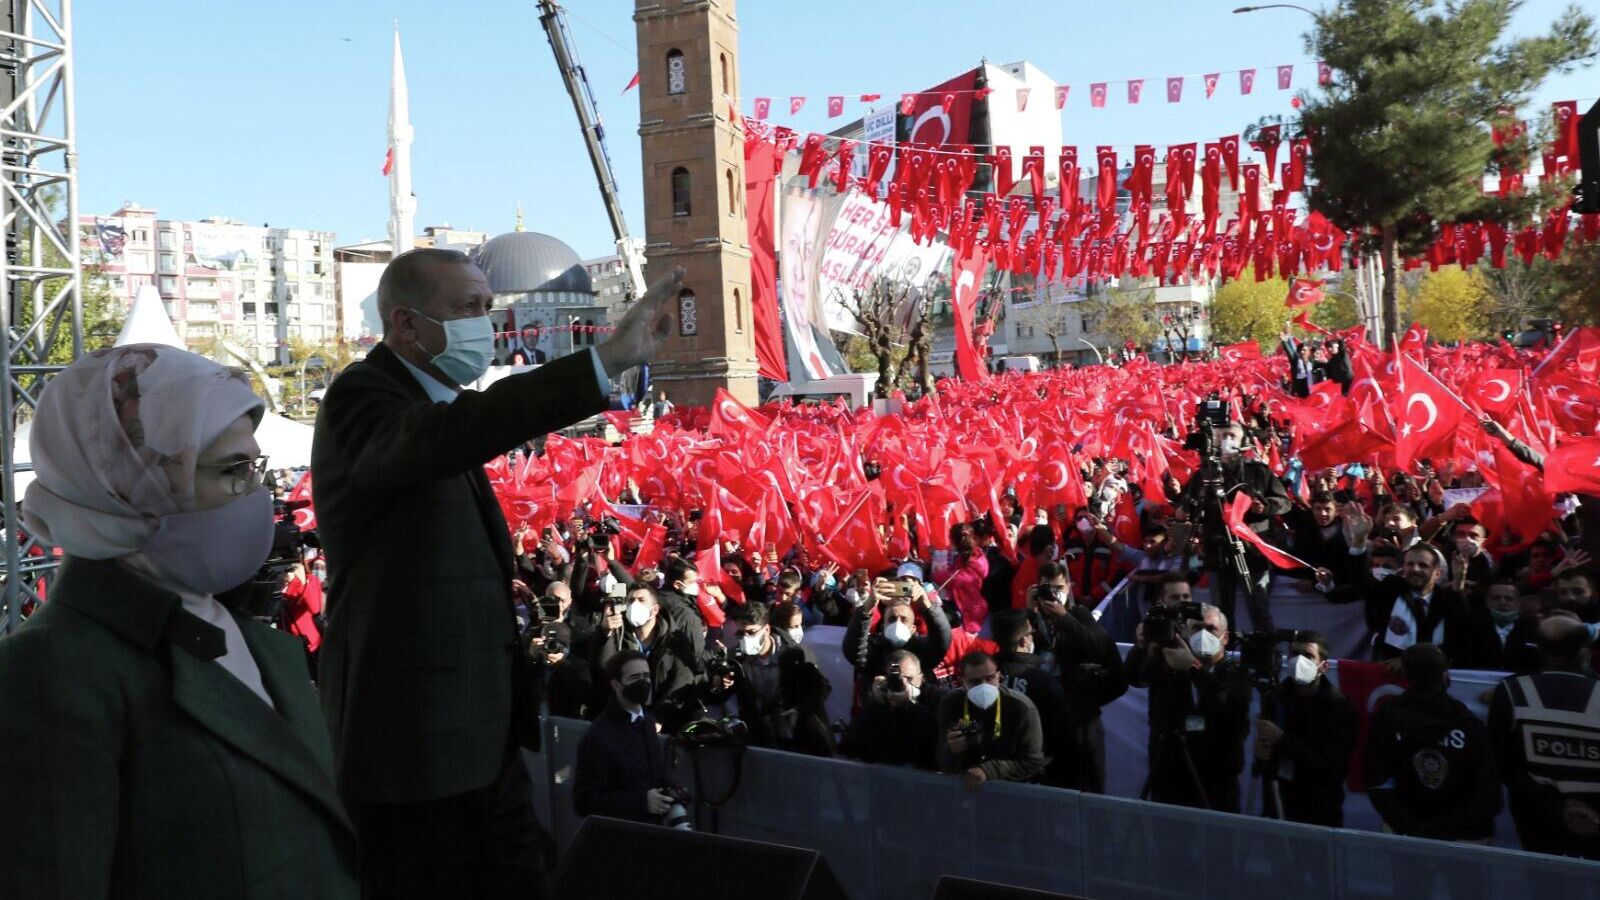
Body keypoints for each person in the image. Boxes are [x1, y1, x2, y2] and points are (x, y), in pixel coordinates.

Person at [312, 247, 680, 899]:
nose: (487, 323)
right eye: (468, 308)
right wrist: (603, 362)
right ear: (405, 324)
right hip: (414, 753)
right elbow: (449, 438)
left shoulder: (439, 411)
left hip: (481, 746)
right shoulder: (364, 399)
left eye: (490, 307)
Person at [0, 345, 357, 898]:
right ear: (126, 480)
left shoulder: (250, 638)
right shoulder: (51, 672)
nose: (257, 494)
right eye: (232, 469)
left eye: (254, 467)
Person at [1365, 643, 1501, 842]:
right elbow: (1489, 790)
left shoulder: (1387, 718)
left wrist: (1413, 828)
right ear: (1445, 675)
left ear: (1406, 675)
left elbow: (1377, 780)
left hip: (1410, 835)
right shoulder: (1470, 724)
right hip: (1462, 839)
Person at [1489, 616, 1600, 859]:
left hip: (1537, 818)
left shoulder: (1511, 691)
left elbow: (1503, 762)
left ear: (1539, 650)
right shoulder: (1513, 691)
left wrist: (1560, 808)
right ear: (1585, 653)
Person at [1124, 603, 1253, 812]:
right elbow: (1135, 678)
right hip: (1173, 774)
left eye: (1211, 629)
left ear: (1225, 638)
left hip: (1218, 779)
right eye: (1197, 628)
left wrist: (1193, 668)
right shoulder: (1171, 666)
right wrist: (1143, 649)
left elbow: (1226, 703)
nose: (1204, 634)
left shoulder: (1236, 675)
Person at [1182, 419, 1291, 634]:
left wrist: (1265, 506)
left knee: (1258, 609)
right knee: (1220, 615)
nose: (1227, 440)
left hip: (1252, 553)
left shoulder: (1258, 472)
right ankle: (1222, 653)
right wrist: (1185, 508)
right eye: (1222, 435)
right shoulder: (1203, 474)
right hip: (1218, 552)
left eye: (1232, 435)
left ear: (1243, 440)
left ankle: (1264, 652)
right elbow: (1188, 503)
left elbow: (1285, 502)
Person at [1027, 568, 1128, 792]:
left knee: (1091, 785)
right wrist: (1030, 612)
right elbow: (1019, 650)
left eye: (1059, 588)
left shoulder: (1079, 615)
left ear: (1069, 587)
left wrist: (1063, 617)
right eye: (1047, 588)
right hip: (1047, 719)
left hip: (1082, 718)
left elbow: (1100, 647)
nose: (1054, 594)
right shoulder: (1033, 620)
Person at [1253, 631, 1357, 826]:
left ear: (1323, 666)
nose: (1299, 660)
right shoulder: (1277, 697)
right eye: (1295, 654)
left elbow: (1332, 767)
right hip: (1280, 798)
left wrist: (1282, 739)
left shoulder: (1339, 707)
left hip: (1319, 806)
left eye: (1308, 656)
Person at [572, 650, 683, 824]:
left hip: (652, 830)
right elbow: (584, 801)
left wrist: (673, 790)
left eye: (646, 676)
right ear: (616, 685)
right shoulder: (598, 737)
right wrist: (641, 801)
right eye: (634, 677)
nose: (643, 682)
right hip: (621, 835)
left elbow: (653, 773)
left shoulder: (647, 721)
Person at [592, 585, 708, 732]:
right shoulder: (620, 635)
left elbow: (682, 680)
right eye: (631, 600)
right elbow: (605, 670)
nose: (635, 605)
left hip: (664, 724)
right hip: (626, 721)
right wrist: (606, 633)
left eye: (641, 600)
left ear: (655, 610)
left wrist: (660, 719)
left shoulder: (675, 640)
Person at [936, 651, 1047, 789]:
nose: (984, 686)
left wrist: (989, 770)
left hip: (1010, 790)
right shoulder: (951, 703)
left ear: (999, 677)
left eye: (990, 678)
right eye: (975, 682)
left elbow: (1033, 762)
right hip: (964, 789)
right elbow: (941, 759)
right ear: (962, 682)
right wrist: (951, 750)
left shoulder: (1021, 708)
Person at [1366, 543, 1487, 667]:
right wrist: (1357, 546)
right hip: (1388, 669)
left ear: (1437, 574)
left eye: (1423, 565)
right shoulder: (1390, 589)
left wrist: (1459, 582)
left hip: (1433, 672)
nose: (1415, 569)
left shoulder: (1448, 600)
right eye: (1410, 564)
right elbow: (1361, 583)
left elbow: (1460, 639)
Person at [843, 578, 952, 703]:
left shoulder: (923, 650)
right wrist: (867, 608)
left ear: (913, 628)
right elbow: (852, 650)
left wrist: (927, 606)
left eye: (904, 619)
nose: (897, 623)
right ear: (883, 626)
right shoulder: (874, 649)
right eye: (892, 619)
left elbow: (942, 638)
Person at [842, 650, 941, 769]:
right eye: (897, 679)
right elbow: (852, 747)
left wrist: (909, 705)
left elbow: (932, 748)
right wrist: (876, 704)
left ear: (921, 678)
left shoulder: (936, 700)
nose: (903, 684)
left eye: (909, 679)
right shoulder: (878, 702)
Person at [1474, 580, 1542, 675]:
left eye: (1509, 598)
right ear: (1487, 601)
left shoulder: (1533, 630)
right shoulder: (1473, 628)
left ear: (1518, 603)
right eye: (1496, 598)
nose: (1502, 602)